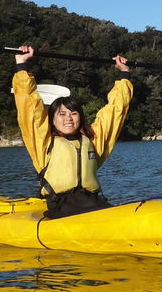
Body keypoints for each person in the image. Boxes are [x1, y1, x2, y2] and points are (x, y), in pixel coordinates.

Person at [12, 45, 133, 218]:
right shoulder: (43, 143)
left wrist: (124, 74)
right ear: (52, 120)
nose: (68, 118)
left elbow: (114, 112)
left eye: (73, 113)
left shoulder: (92, 140)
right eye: (62, 114)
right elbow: (29, 106)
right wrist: (22, 66)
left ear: (80, 117)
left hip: (92, 201)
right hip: (62, 206)